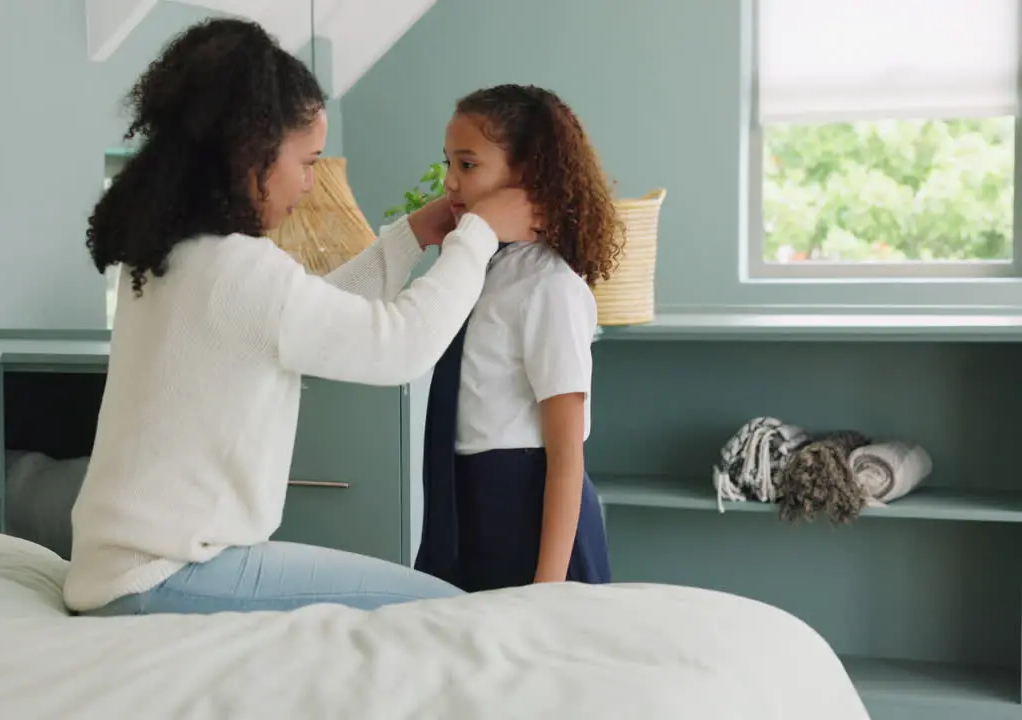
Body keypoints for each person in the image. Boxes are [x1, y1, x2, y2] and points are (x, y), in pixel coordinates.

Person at [63, 18, 540, 616]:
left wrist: (412, 237)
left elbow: (304, 312)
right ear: (254, 152)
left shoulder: (174, 257)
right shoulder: (237, 268)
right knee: (442, 610)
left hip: (121, 571)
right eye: (309, 161)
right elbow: (402, 347)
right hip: (167, 577)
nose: (313, 185)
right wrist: (478, 236)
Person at [414, 84, 625, 593]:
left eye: (468, 165)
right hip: (465, 504)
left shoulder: (549, 286)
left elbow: (566, 455)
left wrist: (547, 587)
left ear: (526, 172)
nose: (449, 182)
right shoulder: (474, 269)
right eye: (449, 163)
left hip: (529, 518)